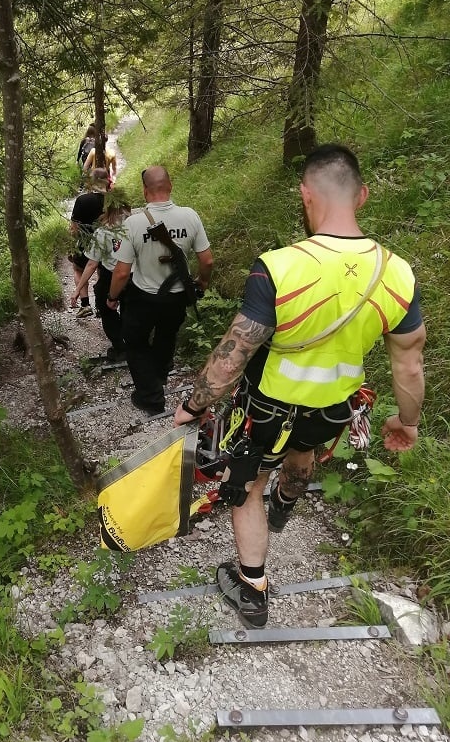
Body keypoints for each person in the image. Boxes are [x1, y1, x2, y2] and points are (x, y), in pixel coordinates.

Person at [173, 144, 425, 630]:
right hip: (335, 409)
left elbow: (235, 352)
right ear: (364, 196)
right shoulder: (398, 273)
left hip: (268, 412)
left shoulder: (278, 267)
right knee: (305, 449)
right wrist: (406, 422)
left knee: (247, 487)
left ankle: (252, 590)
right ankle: (285, 508)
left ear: (305, 195)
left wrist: (192, 404)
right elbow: (409, 365)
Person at [107, 165, 213, 413]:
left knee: (135, 342)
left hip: (143, 296)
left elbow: (122, 272)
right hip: (177, 296)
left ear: (145, 192)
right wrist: (203, 282)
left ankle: (151, 397)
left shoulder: (133, 223)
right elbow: (207, 260)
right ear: (170, 186)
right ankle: (158, 377)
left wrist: (112, 297)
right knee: (166, 336)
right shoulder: (190, 216)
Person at [71, 197, 131, 358]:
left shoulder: (103, 231)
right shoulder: (135, 226)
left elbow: (92, 264)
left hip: (110, 275)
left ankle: (119, 346)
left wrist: (78, 289)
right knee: (130, 308)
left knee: (105, 307)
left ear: (107, 210)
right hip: (134, 275)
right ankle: (133, 343)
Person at [69, 168, 109, 317]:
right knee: (102, 270)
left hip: (85, 242)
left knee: (78, 269)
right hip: (108, 243)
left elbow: (74, 228)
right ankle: (101, 306)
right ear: (107, 180)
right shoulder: (113, 200)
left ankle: (85, 304)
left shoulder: (82, 200)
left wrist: (71, 246)